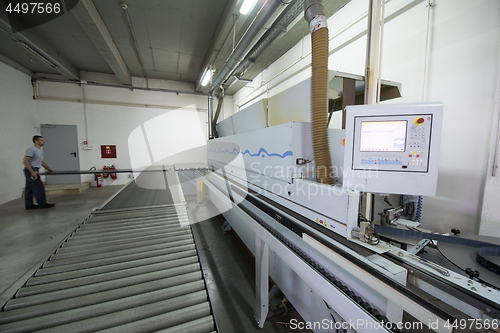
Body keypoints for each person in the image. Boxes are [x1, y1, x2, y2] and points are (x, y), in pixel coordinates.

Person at [23, 135, 55, 210]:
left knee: (29, 189)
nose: (43, 141)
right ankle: (43, 204)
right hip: (31, 170)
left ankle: (29, 205)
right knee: (38, 187)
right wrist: (32, 171)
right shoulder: (31, 149)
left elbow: (40, 161)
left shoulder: (39, 150)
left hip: (34, 169)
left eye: (43, 140)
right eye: (41, 140)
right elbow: (25, 161)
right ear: (36, 141)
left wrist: (48, 168)